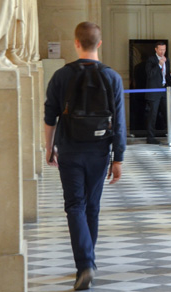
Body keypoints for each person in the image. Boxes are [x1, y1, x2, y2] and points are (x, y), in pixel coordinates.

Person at [44, 22, 126, 290]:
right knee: (92, 206)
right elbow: (120, 122)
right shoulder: (112, 77)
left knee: (74, 206)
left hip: (70, 149)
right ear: (99, 44)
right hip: (100, 150)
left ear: (76, 43)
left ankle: (85, 264)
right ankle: (88, 262)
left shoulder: (61, 76)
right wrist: (118, 158)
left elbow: (49, 117)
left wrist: (49, 148)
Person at [144, 41, 171, 144]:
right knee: (153, 115)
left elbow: (166, 77)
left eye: (164, 49)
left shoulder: (167, 60)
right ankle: (150, 138)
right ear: (156, 49)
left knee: (169, 113)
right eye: (160, 50)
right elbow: (150, 74)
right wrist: (159, 65)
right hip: (154, 91)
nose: (162, 52)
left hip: (165, 90)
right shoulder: (151, 60)